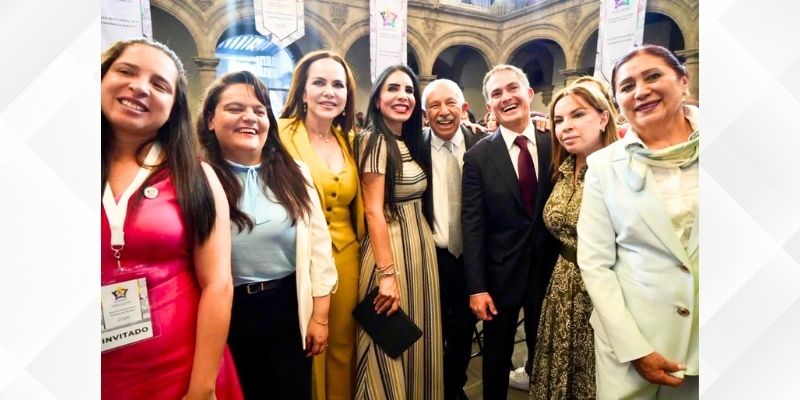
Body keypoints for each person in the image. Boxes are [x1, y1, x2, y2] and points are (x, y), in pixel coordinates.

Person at [101, 38, 242, 399]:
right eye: (126, 71)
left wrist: (202, 389)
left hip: (182, 369)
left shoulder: (195, 175)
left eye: (159, 84)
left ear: (174, 106)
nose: (139, 87)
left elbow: (218, 283)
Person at [197, 70, 337, 399]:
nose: (250, 118)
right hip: (226, 315)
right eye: (235, 109)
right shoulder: (197, 179)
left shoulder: (295, 173)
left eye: (259, 111)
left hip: (287, 307)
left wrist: (320, 317)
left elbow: (319, 249)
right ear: (211, 120)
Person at [577, 44, 699, 399]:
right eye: (627, 86)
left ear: (683, 81)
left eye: (653, 76)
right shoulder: (603, 165)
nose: (641, 91)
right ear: (618, 102)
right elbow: (595, 262)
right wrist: (634, 348)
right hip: (634, 339)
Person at [462, 64, 560, 400]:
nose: (506, 97)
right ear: (489, 105)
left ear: (529, 94)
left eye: (512, 88)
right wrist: (477, 287)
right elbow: (472, 225)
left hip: (549, 273)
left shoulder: (555, 143)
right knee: (496, 359)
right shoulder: (477, 157)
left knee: (546, 356)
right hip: (500, 276)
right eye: (496, 93)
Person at [277, 50, 364, 400]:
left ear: (347, 96)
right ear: (303, 91)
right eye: (319, 82)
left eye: (338, 85)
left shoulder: (351, 141)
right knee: (303, 346)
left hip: (346, 258)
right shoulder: (278, 134)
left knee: (342, 346)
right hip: (295, 259)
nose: (329, 92)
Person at [354, 64, 443, 399]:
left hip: (418, 251)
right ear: (377, 100)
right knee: (387, 344)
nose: (403, 96)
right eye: (393, 88)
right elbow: (372, 211)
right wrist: (387, 275)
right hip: (391, 252)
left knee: (412, 339)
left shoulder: (405, 141)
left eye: (408, 90)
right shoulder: (374, 140)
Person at [529, 84, 618, 399]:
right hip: (560, 286)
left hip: (601, 290)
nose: (566, 126)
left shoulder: (618, 169)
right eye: (558, 119)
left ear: (603, 118)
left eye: (578, 115)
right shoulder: (564, 168)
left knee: (593, 375)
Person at [420, 79, 484, 400]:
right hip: (431, 258)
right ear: (425, 114)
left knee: (463, 331)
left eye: (450, 103)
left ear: (464, 108)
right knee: (431, 331)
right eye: (434, 105)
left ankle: (453, 389)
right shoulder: (413, 147)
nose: (443, 112)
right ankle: (430, 388)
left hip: (472, 259)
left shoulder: (483, 143)